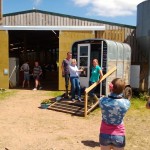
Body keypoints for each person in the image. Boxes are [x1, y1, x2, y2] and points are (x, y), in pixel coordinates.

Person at [99, 78, 131, 150]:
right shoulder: (126, 103)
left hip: (104, 133)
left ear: (111, 87)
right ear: (123, 89)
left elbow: (106, 98)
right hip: (119, 134)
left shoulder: (102, 100)